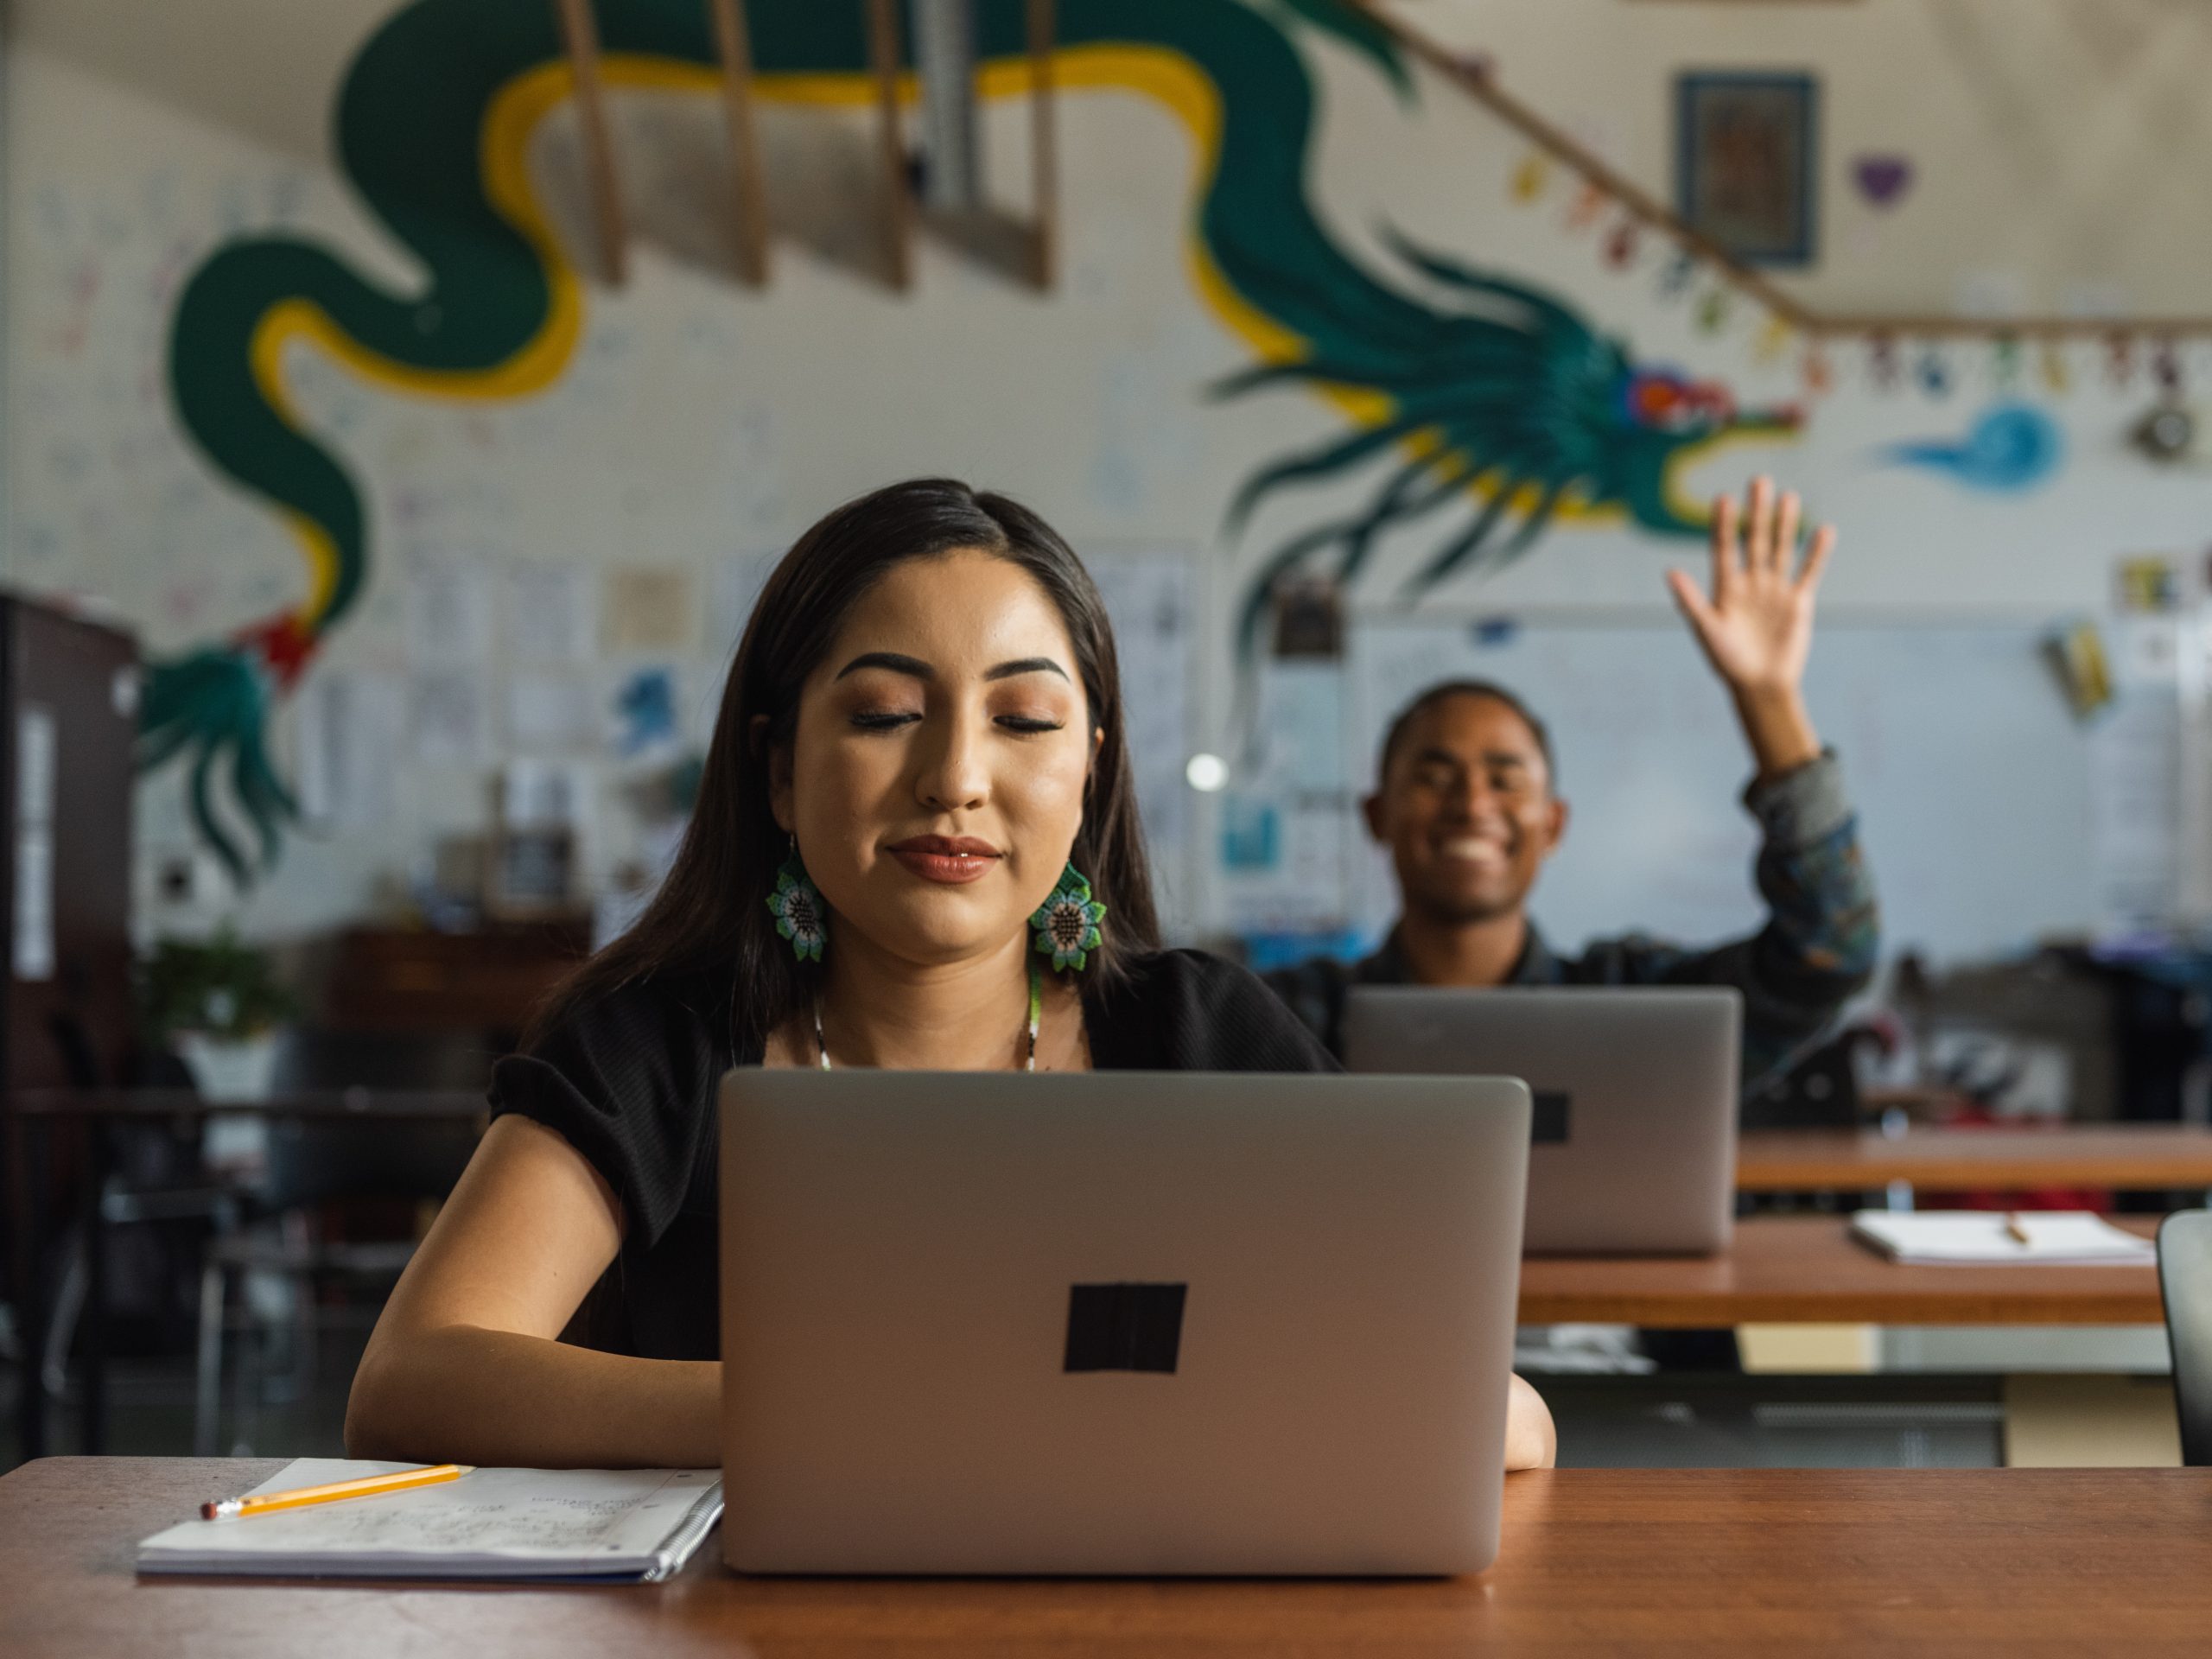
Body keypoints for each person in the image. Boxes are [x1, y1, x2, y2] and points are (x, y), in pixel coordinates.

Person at [347, 479, 1555, 1472]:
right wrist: (888, 1417)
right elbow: (414, 1379)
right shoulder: (652, 1041)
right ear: (777, 768)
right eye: (884, 713)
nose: (955, 778)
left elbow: (1502, 1420)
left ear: (1090, 767)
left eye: (1024, 721)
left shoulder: (1204, 1035)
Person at [1267, 476, 1879, 1089]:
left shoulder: (1630, 1011)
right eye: (1434, 776)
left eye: (1506, 780)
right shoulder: (1292, 1021)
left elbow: (1827, 955)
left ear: (1553, 824)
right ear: (1377, 816)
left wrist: (1768, 700)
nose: (1473, 803)